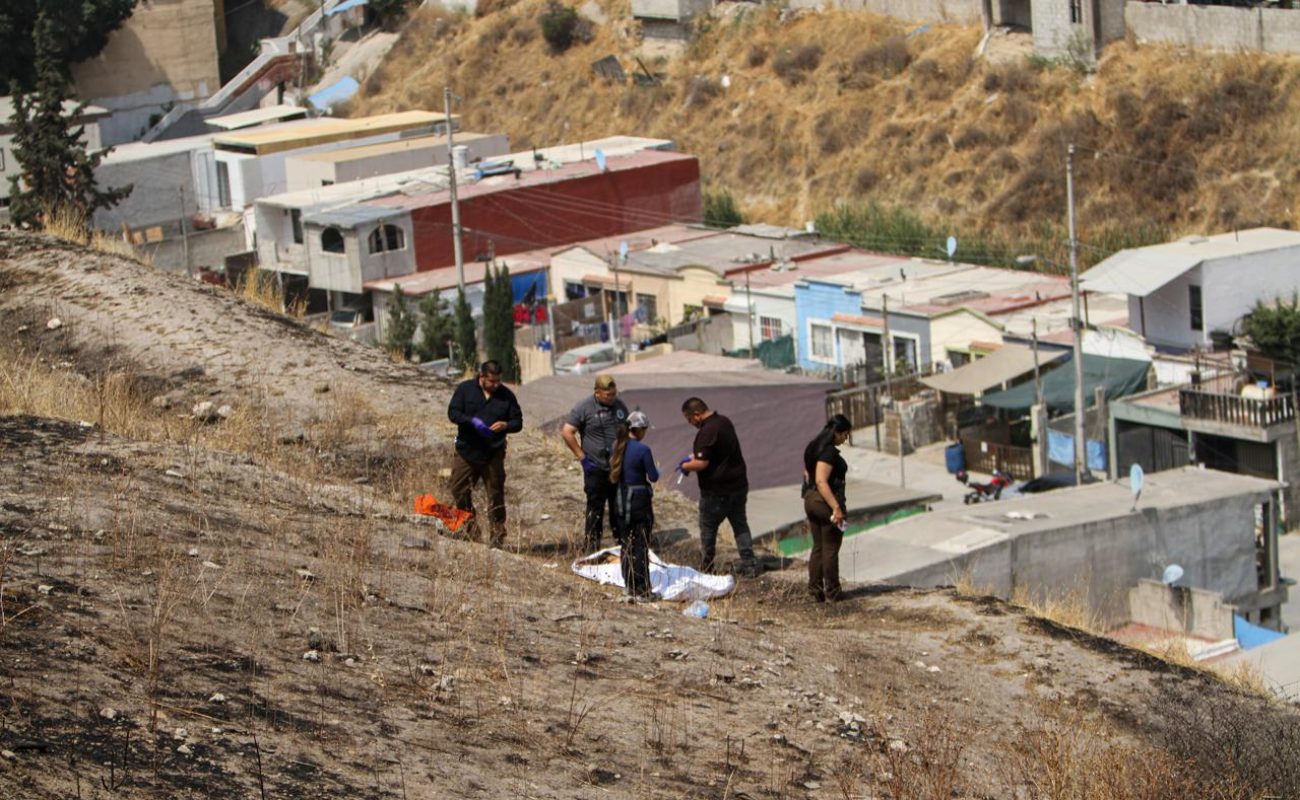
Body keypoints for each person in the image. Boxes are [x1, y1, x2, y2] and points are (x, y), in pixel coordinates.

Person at [446, 360, 524, 547]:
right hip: (467, 450)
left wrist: (506, 425)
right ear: (482, 377)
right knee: (459, 489)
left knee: (495, 495)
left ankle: (497, 537)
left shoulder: (506, 396)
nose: (496, 385)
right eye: (492, 381)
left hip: (493, 454)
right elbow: (453, 413)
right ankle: (470, 529)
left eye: (498, 381)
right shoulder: (465, 390)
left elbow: (518, 422)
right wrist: (471, 421)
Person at [678, 397, 758, 576]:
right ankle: (749, 563)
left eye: (689, 419)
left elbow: (702, 463)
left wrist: (685, 466)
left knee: (708, 528)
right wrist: (694, 458)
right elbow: (716, 452)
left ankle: (707, 567)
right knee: (740, 525)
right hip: (738, 485)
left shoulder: (706, 431)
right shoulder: (724, 422)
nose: (690, 423)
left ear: (697, 415)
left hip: (716, 492)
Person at [561, 374, 629, 552]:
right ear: (597, 393)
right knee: (595, 508)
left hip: (617, 467)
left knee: (618, 507)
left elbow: (628, 432)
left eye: (614, 394)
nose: (612, 398)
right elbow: (567, 432)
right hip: (595, 466)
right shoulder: (584, 408)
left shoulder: (620, 407)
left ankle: (622, 545)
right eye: (608, 395)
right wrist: (581, 457)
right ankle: (591, 547)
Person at [802, 414, 852, 602]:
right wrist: (836, 508)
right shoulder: (828, 453)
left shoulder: (814, 448)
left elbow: (808, 474)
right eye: (845, 435)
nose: (845, 439)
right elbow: (822, 481)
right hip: (824, 502)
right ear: (836, 433)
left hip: (811, 499)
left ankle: (815, 589)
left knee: (818, 547)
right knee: (830, 547)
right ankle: (833, 591)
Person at [610, 411, 659, 598]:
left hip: (621, 500)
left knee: (626, 544)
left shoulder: (616, 446)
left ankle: (629, 586)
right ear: (639, 430)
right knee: (641, 546)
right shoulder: (643, 450)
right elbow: (653, 476)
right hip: (639, 501)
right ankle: (643, 590)